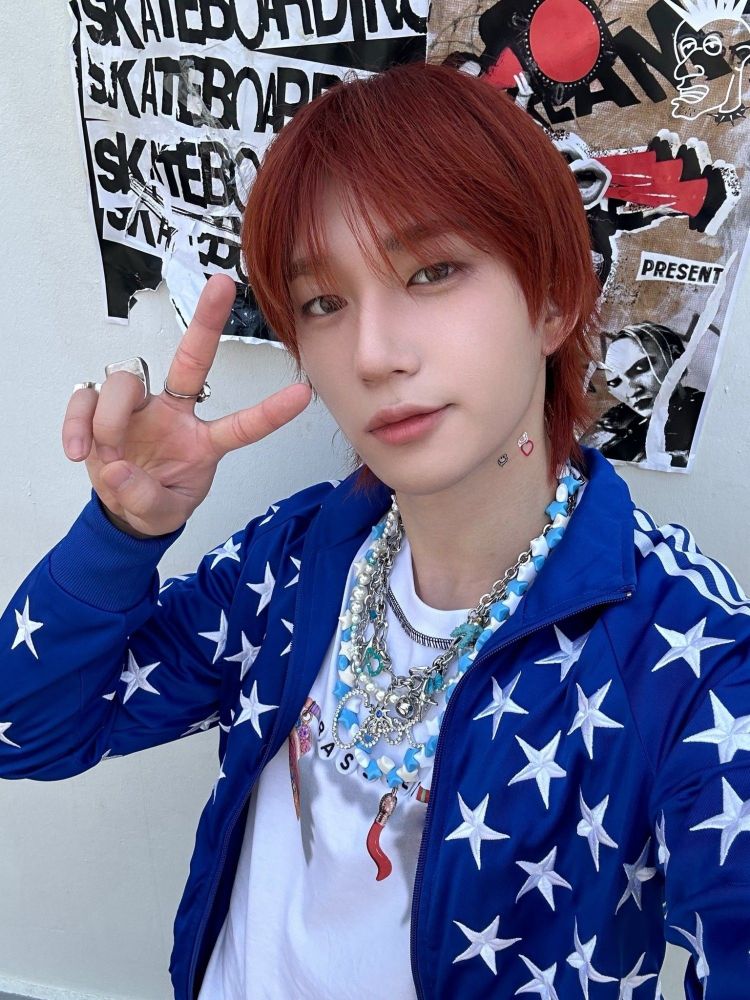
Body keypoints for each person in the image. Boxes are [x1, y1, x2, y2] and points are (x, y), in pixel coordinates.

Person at [1, 62, 748, 1000]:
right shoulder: (298, 557)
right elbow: (26, 731)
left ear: (554, 301)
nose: (372, 354)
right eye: (324, 302)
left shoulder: (683, 652)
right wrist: (121, 534)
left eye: (433, 272)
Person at [582, 322, 705, 467]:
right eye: (616, 382)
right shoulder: (612, 429)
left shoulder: (707, 411)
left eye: (640, 368)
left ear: (675, 357)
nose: (631, 390)